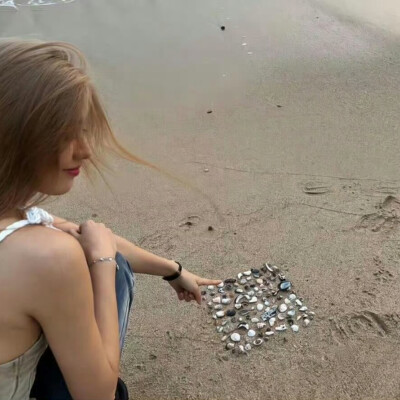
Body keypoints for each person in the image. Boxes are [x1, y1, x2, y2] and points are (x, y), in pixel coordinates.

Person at [0, 39, 221, 400]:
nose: (85, 151)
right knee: (111, 268)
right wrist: (103, 264)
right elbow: (97, 395)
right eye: (65, 134)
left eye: (83, 130)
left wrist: (173, 271)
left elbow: (81, 234)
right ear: (16, 135)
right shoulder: (46, 256)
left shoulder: (14, 221)